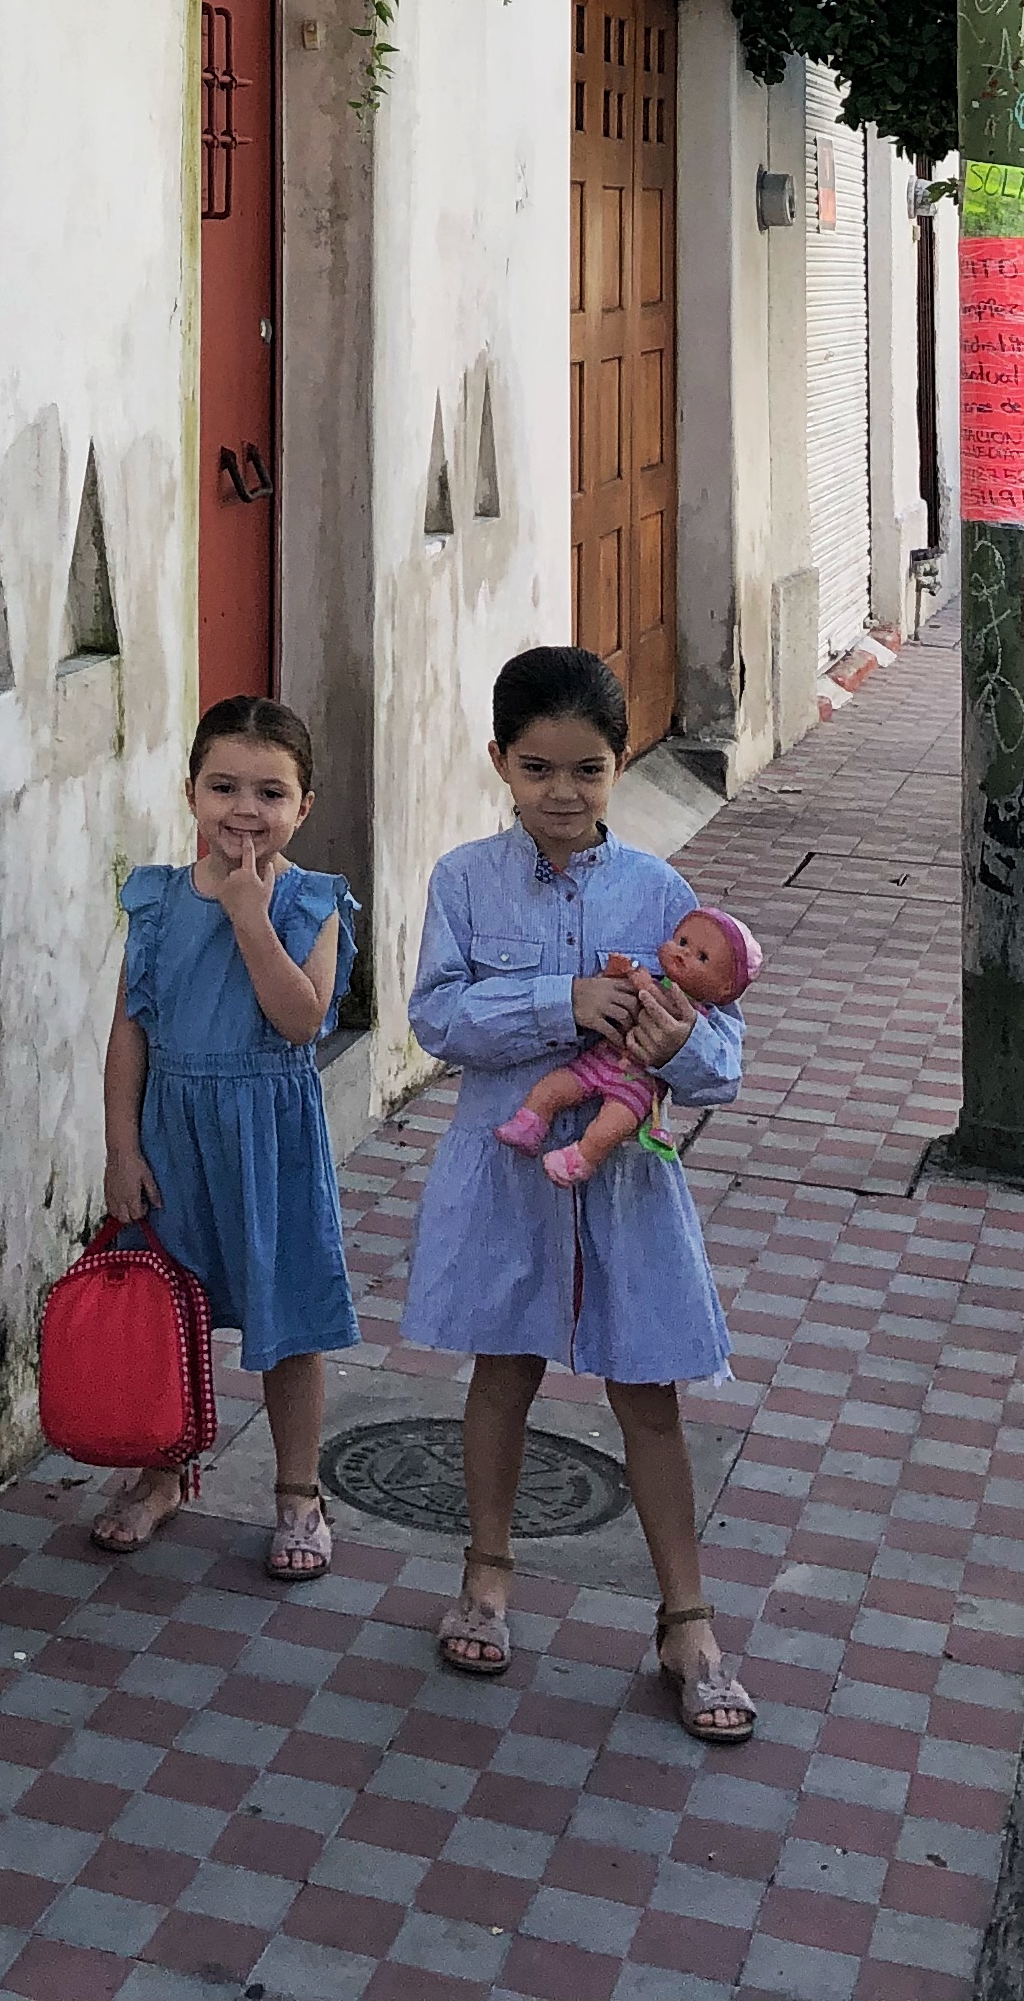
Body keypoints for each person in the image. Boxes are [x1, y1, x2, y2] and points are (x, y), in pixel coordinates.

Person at [401, 643, 757, 1740]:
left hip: (625, 1186)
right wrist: (562, 1002)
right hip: (509, 1171)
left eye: (589, 770)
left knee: (648, 1392)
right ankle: (488, 1576)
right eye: (539, 769)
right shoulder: (464, 881)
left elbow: (724, 1059)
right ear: (499, 761)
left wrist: (677, 1041)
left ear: (620, 763)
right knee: (501, 1371)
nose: (564, 793)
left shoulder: (660, 892)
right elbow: (436, 1017)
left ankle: (687, 1620)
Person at [93, 694, 359, 1579]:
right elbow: (130, 1031)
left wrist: (250, 917)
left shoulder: (312, 902)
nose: (245, 810)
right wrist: (122, 1149)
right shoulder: (159, 901)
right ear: (191, 793)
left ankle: (298, 1493)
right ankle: (162, 1473)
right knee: (166, 1312)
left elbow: (300, 1019)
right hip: (173, 1134)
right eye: (224, 787)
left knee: (290, 1317)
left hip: (269, 1136)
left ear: (303, 807)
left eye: (270, 793)